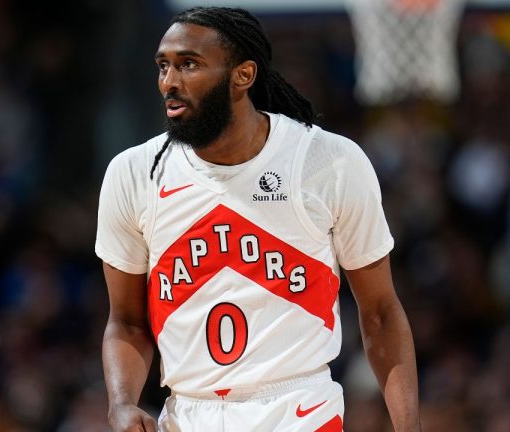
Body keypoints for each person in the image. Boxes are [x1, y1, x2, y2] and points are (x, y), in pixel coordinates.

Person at [95, 6, 420, 432]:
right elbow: (127, 322)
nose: (170, 83)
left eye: (188, 65)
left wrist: (408, 426)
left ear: (242, 76)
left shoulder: (327, 161)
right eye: (163, 66)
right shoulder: (134, 173)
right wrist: (121, 402)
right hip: (188, 413)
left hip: (299, 409)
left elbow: (379, 312)